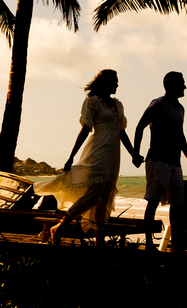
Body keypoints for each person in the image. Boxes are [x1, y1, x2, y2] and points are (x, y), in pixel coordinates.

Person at [39, 69, 144, 245]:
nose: (117, 85)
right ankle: (60, 226)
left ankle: (99, 243)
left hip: (114, 155)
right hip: (98, 151)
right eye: (115, 81)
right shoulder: (92, 102)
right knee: (95, 194)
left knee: (104, 197)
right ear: (105, 83)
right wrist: (71, 156)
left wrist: (134, 154)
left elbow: (122, 132)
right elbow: (85, 129)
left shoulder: (118, 105)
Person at [133, 71, 187, 250]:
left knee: (178, 204)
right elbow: (139, 127)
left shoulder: (180, 108)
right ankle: (149, 244)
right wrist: (136, 154)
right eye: (182, 83)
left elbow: (180, 134)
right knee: (153, 201)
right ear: (171, 85)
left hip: (175, 162)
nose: (185, 87)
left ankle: (176, 245)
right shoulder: (158, 104)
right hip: (157, 160)